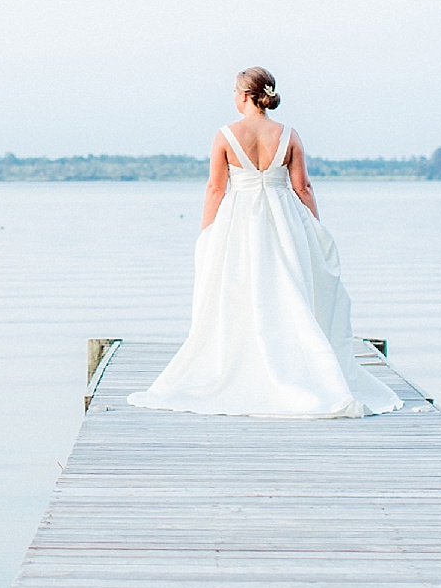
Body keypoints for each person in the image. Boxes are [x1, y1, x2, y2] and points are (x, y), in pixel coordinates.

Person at [127, 67, 403, 418]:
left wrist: (207, 233)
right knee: (287, 287)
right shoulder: (289, 135)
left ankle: (244, 361)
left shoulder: (226, 135)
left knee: (239, 289)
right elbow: (303, 188)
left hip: (238, 221)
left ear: (243, 95)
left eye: (233, 91)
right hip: (283, 221)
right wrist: (315, 229)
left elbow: (215, 188)